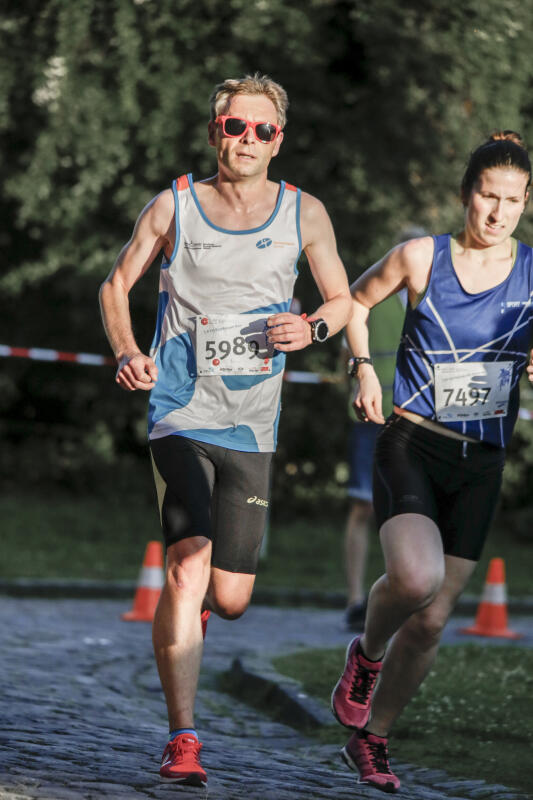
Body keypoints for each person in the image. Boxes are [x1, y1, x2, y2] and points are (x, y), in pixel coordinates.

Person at [99, 73, 351, 787]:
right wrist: (127, 351)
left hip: (252, 427)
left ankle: (194, 618)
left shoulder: (304, 213)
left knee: (230, 597)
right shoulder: (174, 205)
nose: (246, 139)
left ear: (278, 140)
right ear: (216, 131)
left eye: (261, 129)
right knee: (189, 563)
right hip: (180, 412)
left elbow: (340, 300)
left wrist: (311, 327)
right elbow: (115, 285)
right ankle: (183, 739)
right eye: (234, 126)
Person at [331, 131, 532, 793]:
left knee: (432, 621)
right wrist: (363, 368)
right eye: (487, 196)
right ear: (465, 194)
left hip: (482, 463)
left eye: (512, 200)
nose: (497, 212)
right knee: (414, 581)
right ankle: (365, 655)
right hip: (413, 442)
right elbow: (355, 302)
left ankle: (373, 739)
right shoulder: (421, 257)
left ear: (525, 202)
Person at [342, 228, 425, 632]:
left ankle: (410, 596)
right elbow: (347, 350)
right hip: (371, 416)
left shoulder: (436, 296)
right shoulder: (371, 295)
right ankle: (355, 599)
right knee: (363, 507)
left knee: (414, 509)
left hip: (420, 417)